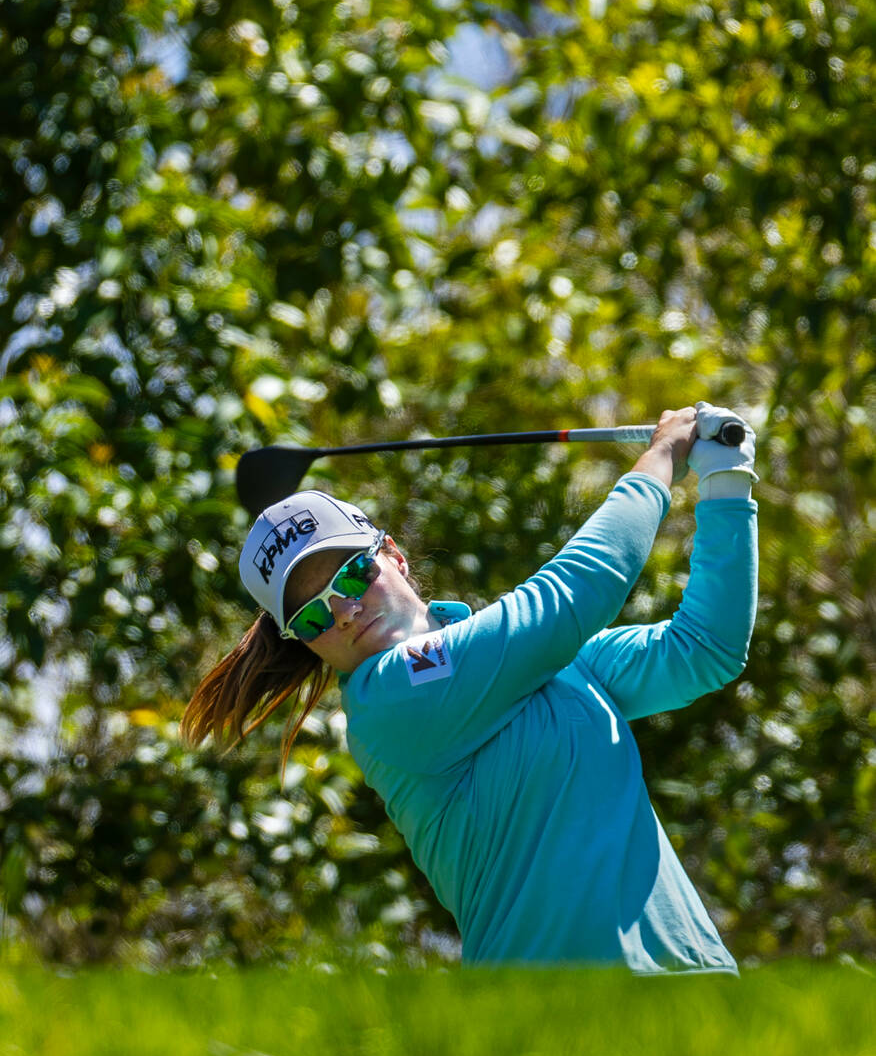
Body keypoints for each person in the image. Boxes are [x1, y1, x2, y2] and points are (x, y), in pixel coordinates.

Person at [184, 403, 758, 973]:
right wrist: (661, 458)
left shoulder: (539, 662)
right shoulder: (386, 704)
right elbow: (570, 600)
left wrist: (726, 482)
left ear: (395, 557)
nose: (346, 612)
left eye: (353, 573)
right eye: (312, 617)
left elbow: (704, 648)